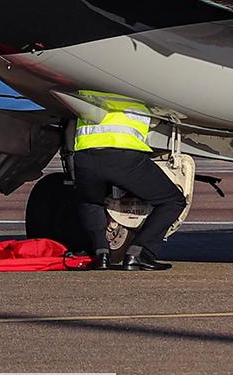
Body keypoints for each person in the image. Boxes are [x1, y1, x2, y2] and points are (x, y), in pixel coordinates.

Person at [70, 91, 187, 271]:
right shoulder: (135, 87)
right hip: (122, 157)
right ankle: (139, 253)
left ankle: (101, 254)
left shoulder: (87, 88)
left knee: (90, 202)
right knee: (173, 201)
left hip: (86, 155)